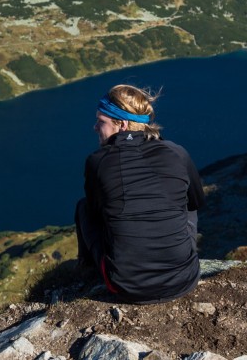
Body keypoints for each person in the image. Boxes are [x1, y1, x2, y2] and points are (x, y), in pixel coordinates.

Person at [74, 84, 205, 303]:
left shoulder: (98, 161)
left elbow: (98, 216)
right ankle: (175, 256)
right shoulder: (176, 152)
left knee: (84, 208)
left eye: (101, 121)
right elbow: (196, 201)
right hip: (185, 279)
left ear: (122, 125)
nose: (95, 127)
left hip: (126, 286)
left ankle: (86, 272)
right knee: (187, 206)